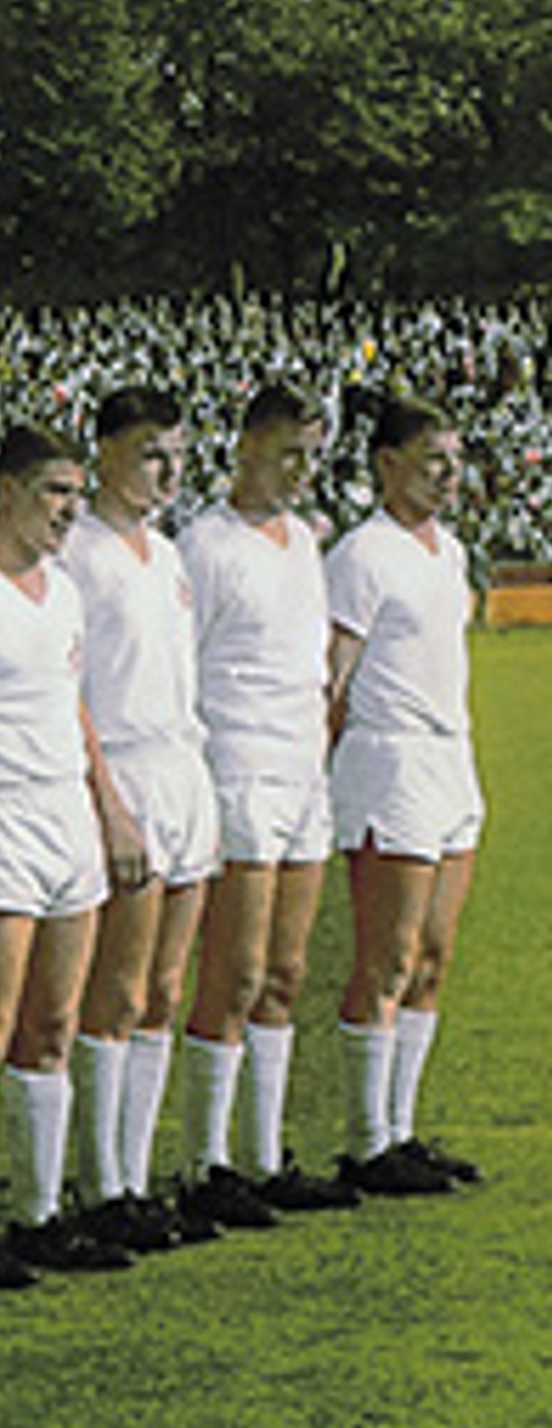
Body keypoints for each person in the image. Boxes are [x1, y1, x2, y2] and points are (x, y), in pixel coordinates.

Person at [0, 421, 130, 1289]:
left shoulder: (65, 592)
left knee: (51, 1029)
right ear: (5, 489)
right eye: (53, 492)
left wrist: (108, 806)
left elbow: (72, 704)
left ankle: (39, 1215)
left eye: (77, 495)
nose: (68, 511)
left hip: (64, 815)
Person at [176, 385, 360, 1219]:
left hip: (302, 774)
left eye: (311, 456)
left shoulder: (305, 544)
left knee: (285, 975)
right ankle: (205, 1164)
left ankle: (261, 1154)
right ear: (246, 447)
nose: (300, 471)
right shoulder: (206, 545)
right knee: (235, 973)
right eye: (288, 453)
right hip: (239, 770)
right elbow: (184, 667)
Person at [55, 389, 221, 1250]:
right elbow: (69, 689)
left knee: (163, 991)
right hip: (123, 771)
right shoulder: (77, 554)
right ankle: (100, 1183)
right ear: (107, 453)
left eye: (178, 454)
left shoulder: (168, 553)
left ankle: (136, 1173)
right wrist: (109, 803)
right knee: (116, 992)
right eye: (152, 453)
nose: (168, 470)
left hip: (182, 768)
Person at [327, 389, 483, 1197]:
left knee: (432, 958)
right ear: (387, 463)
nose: (448, 476)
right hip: (390, 762)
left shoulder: (448, 551)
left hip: (451, 760)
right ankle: (366, 1143)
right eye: (432, 462)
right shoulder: (362, 554)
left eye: (455, 462)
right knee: (387, 958)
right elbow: (331, 676)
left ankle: (401, 1128)